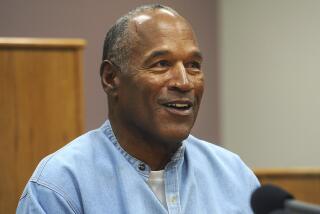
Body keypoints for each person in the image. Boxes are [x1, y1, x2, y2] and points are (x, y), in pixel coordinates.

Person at [17, 4, 259, 214]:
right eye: (162, 64)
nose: (184, 82)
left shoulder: (234, 175)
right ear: (111, 78)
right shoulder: (61, 185)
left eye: (193, 65)